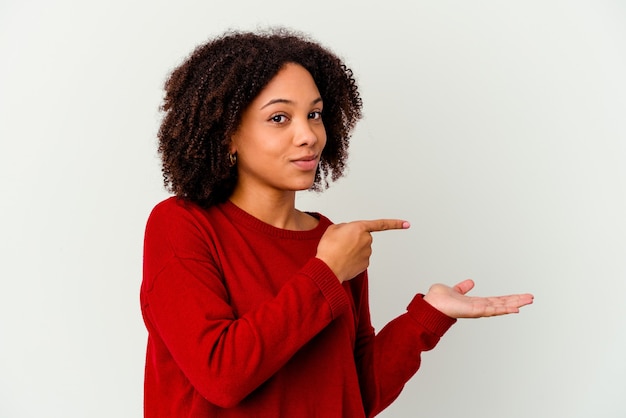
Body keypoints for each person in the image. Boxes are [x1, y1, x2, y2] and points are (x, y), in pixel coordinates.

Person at [140, 28, 534, 418]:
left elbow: (355, 393)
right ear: (227, 135)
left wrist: (427, 316)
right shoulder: (181, 225)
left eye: (314, 114)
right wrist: (327, 271)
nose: (308, 135)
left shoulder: (333, 240)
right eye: (279, 117)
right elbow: (221, 376)